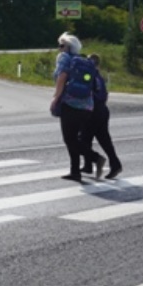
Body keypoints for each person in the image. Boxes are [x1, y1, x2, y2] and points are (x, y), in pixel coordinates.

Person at [51, 32, 94, 183]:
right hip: (87, 105)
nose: (59, 49)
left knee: (69, 139)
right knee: (74, 138)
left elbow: (62, 78)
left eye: (61, 45)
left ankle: (94, 158)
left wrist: (55, 98)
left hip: (70, 104)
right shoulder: (83, 59)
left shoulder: (64, 58)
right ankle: (75, 171)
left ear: (68, 47)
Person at [81, 53, 123, 180]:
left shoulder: (89, 76)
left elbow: (86, 91)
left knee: (82, 139)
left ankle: (93, 162)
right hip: (102, 110)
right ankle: (113, 164)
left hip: (93, 110)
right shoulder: (99, 76)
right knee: (103, 139)